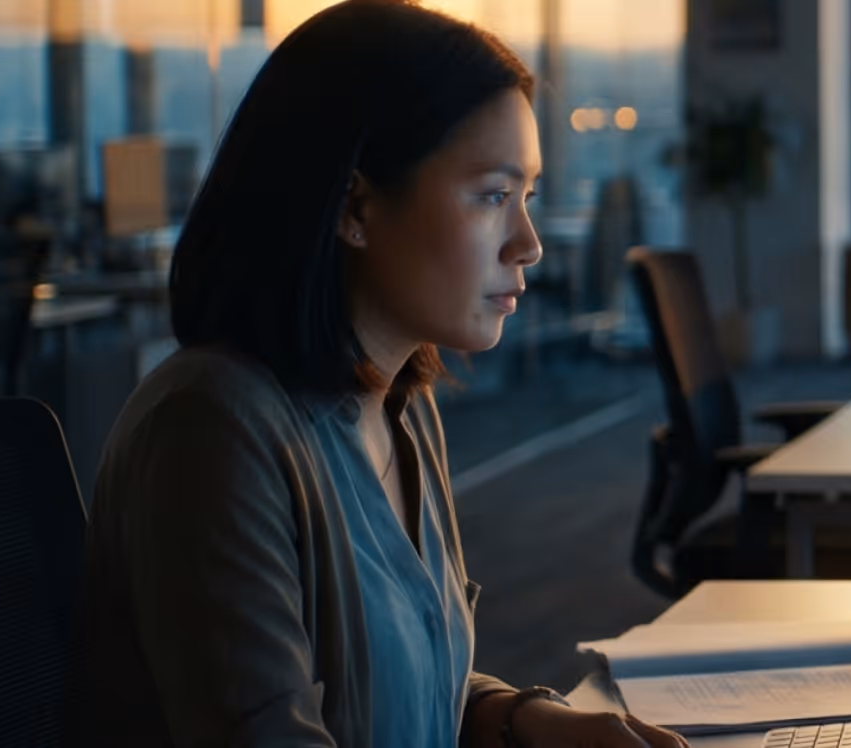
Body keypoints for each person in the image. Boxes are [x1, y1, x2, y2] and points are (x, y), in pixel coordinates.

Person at [70, 2, 688, 746]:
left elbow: (404, 691)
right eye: (493, 196)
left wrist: (530, 722)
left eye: (526, 197)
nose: (526, 243)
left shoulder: (398, 402)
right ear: (355, 205)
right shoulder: (211, 430)